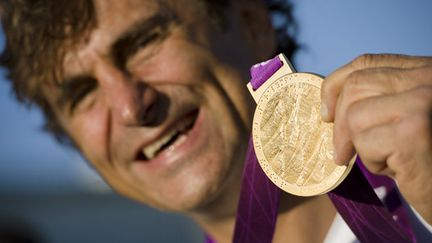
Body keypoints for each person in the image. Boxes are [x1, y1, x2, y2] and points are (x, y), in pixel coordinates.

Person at [1, 0, 431, 242]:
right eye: (81, 93)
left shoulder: (423, 194)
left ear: (249, 21)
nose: (131, 108)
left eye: (143, 42)